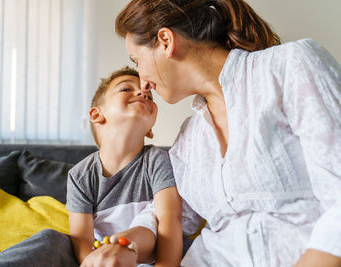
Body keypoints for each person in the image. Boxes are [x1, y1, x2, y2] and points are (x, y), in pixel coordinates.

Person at [111, 0, 341, 266]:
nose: (142, 82)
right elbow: (168, 217)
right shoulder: (189, 138)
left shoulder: (288, 67)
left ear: (165, 41)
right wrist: (125, 245)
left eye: (136, 60)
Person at [0, 67, 183, 267]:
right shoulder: (80, 175)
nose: (142, 93)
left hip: (146, 258)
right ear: (97, 115)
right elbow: (82, 242)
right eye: (126, 89)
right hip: (96, 260)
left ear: (150, 130)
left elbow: (170, 219)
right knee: (50, 239)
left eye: (149, 96)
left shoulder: (158, 160)